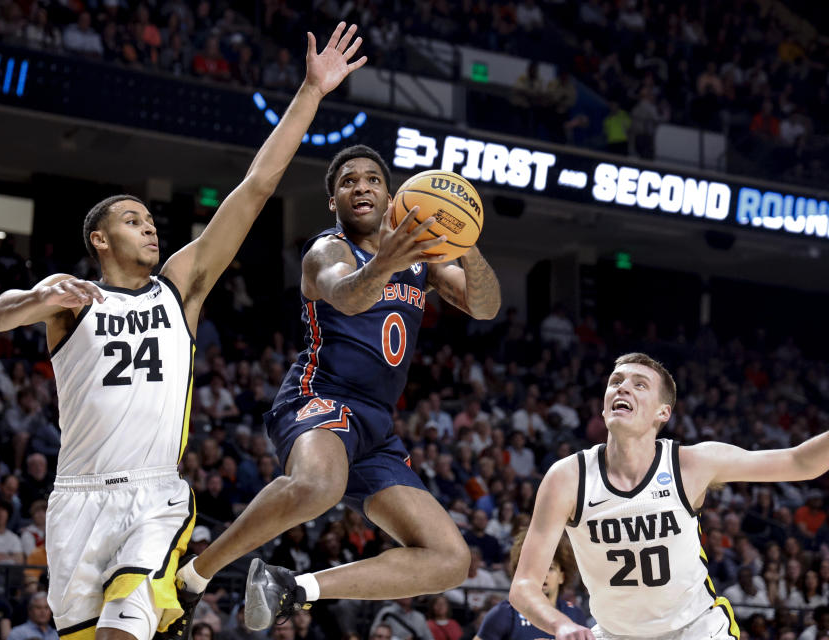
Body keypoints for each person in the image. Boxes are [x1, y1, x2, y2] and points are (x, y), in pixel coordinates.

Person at [0, 21, 367, 640]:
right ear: (101, 240)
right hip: (74, 499)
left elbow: (256, 186)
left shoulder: (178, 287)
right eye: (133, 221)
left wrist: (311, 93)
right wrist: (36, 296)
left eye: (150, 218)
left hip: (154, 497)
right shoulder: (70, 298)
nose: (150, 226)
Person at [183, 141, 500, 631]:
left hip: (375, 426)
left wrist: (466, 241)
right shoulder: (327, 249)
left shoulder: (423, 258)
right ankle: (195, 576)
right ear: (334, 202)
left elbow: (484, 307)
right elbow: (347, 296)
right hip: (318, 397)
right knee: (317, 486)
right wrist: (385, 263)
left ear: (393, 196)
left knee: (450, 559)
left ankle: (294, 589)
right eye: (348, 182)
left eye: (372, 179)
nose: (361, 187)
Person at [509, 352, 829, 640]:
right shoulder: (567, 478)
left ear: (663, 412)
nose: (623, 387)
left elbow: (801, 462)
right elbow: (524, 586)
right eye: (616, 381)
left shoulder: (691, 464)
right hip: (614, 633)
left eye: (639, 384)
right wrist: (560, 624)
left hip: (696, 628)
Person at [475, 529, 584, 640]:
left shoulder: (575, 613)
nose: (543, 574)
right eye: (537, 568)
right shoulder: (503, 613)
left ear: (562, 577)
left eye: (550, 568)